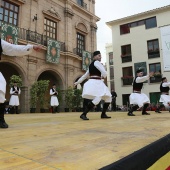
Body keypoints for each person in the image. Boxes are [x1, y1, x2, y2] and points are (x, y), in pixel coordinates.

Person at [0, 38, 41, 128]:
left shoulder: (1, 42)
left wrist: (31, 47)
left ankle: (0, 119)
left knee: (1, 85)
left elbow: (14, 48)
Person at [74, 51, 112, 120]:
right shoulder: (97, 63)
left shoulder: (91, 65)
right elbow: (104, 73)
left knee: (105, 98)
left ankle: (101, 114)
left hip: (95, 82)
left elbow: (85, 76)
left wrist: (77, 82)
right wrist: (104, 76)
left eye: (100, 56)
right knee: (104, 98)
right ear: (94, 57)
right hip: (97, 83)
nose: (100, 57)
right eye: (98, 55)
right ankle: (84, 114)